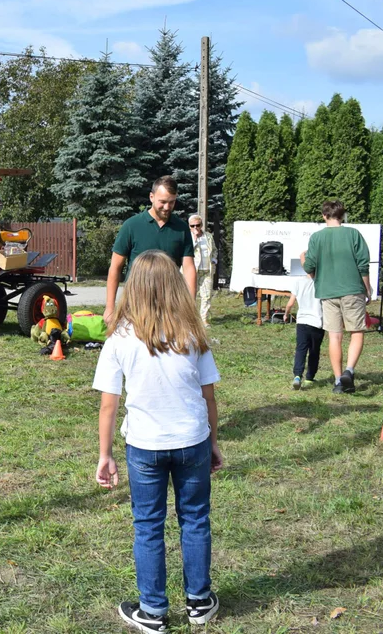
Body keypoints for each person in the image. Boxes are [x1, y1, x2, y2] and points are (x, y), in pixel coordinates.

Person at [93, 250, 223, 632]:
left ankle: (152, 611)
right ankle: (199, 601)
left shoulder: (119, 338)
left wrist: (105, 455)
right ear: (174, 287)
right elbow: (209, 397)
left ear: (132, 288)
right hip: (192, 441)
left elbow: (108, 405)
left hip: (145, 447)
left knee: (148, 525)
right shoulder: (193, 333)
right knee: (195, 518)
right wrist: (213, 442)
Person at [105, 176, 197, 325]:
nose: (167, 207)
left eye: (172, 202)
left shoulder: (181, 229)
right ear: (151, 197)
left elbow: (189, 268)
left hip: (169, 305)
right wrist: (110, 308)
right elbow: (115, 268)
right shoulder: (131, 226)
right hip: (135, 304)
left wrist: (191, 308)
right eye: (163, 202)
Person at [303, 200, 372, 394]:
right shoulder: (353, 234)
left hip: (327, 291)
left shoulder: (317, 237)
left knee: (335, 336)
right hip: (352, 289)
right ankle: (349, 371)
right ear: (343, 215)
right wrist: (367, 288)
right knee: (356, 331)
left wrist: (304, 261)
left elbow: (309, 266)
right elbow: (363, 265)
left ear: (324, 215)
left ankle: (337, 381)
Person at [284, 251, 323, 390]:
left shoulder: (299, 282)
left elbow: (290, 303)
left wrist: (286, 314)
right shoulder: (322, 283)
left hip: (302, 322)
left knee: (301, 349)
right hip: (318, 322)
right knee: (314, 351)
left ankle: (297, 375)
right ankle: (310, 377)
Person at [189, 214, 217, 326]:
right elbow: (187, 252)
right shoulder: (187, 237)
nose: (196, 228)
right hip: (192, 270)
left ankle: (203, 319)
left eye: (198, 225)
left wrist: (214, 259)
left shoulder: (208, 236)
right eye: (193, 226)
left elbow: (214, 250)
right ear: (189, 226)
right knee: (191, 295)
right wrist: (194, 240)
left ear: (201, 225)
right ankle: (190, 319)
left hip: (207, 270)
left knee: (207, 295)